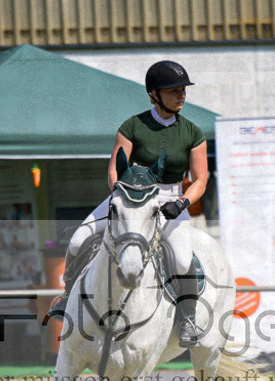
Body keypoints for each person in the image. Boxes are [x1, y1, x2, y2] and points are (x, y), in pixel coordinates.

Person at [51, 60, 209, 347]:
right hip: (128, 197)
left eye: (183, 90)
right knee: (77, 240)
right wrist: (121, 194)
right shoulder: (132, 126)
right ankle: (66, 297)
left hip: (170, 200)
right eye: (173, 91)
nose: (181, 95)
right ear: (154, 94)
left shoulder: (193, 132)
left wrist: (182, 202)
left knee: (183, 259)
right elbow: (114, 168)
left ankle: (187, 317)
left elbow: (200, 179)